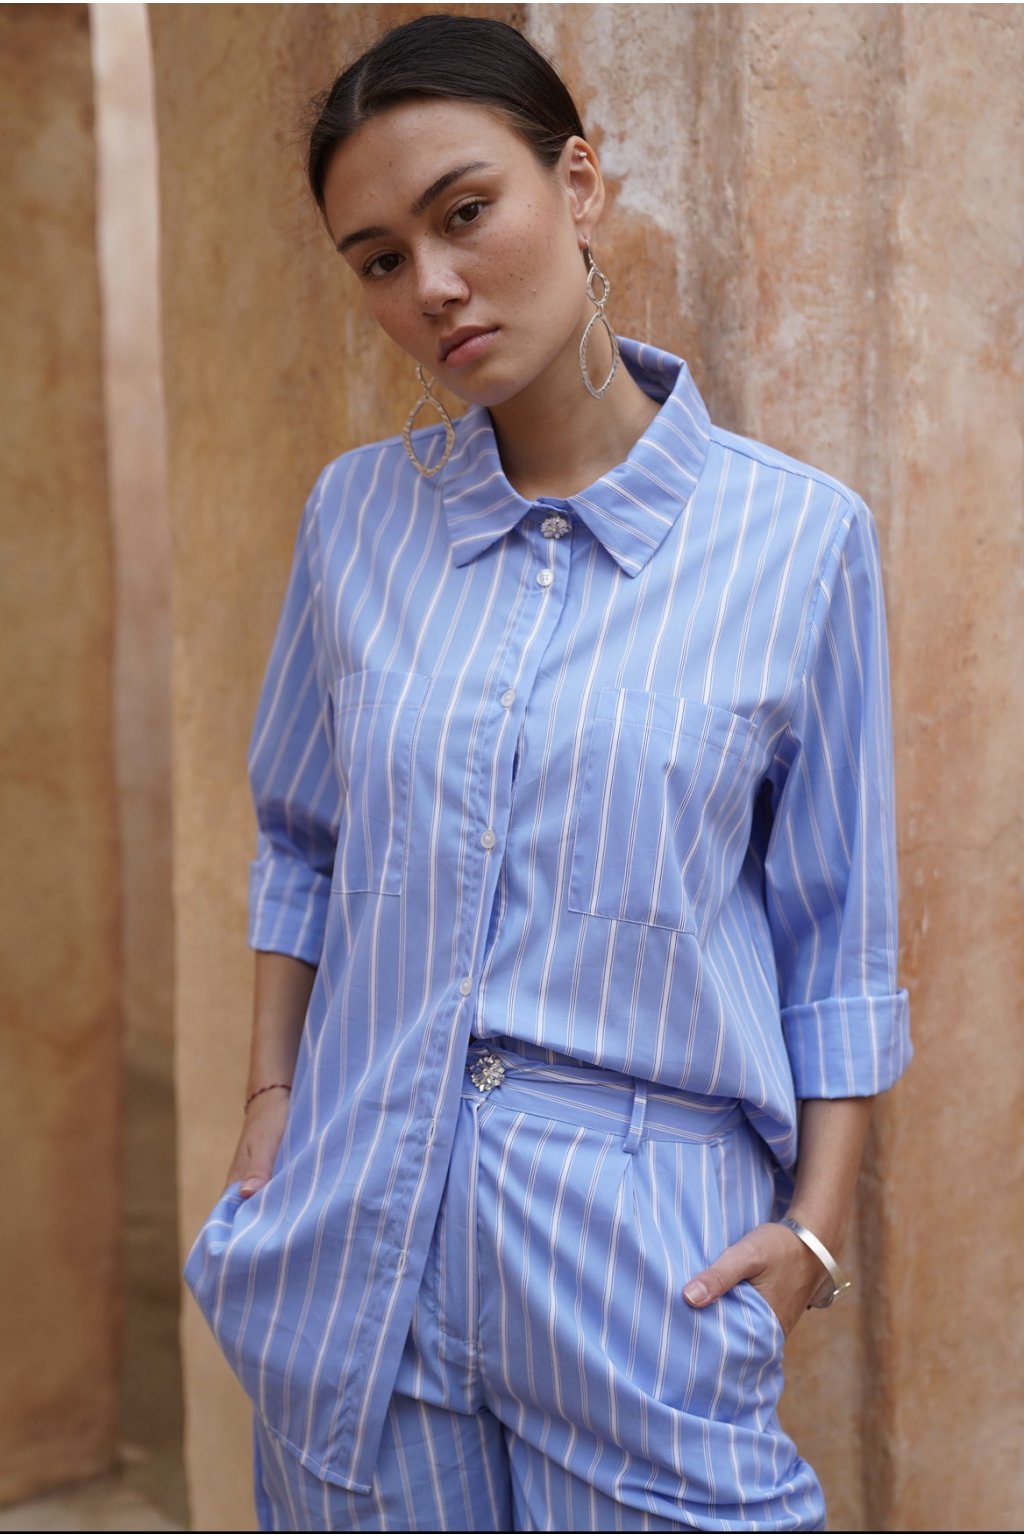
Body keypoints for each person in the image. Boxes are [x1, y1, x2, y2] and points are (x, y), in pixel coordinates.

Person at [185, 14, 911, 1532]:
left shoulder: (798, 539)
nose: (433, 286)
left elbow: (836, 930)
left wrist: (813, 1236)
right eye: (380, 259)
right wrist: (272, 1103)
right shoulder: (354, 520)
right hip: (358, 1236)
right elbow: (303, 841)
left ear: (577, 181)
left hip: (639, 1263)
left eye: (466, 213)